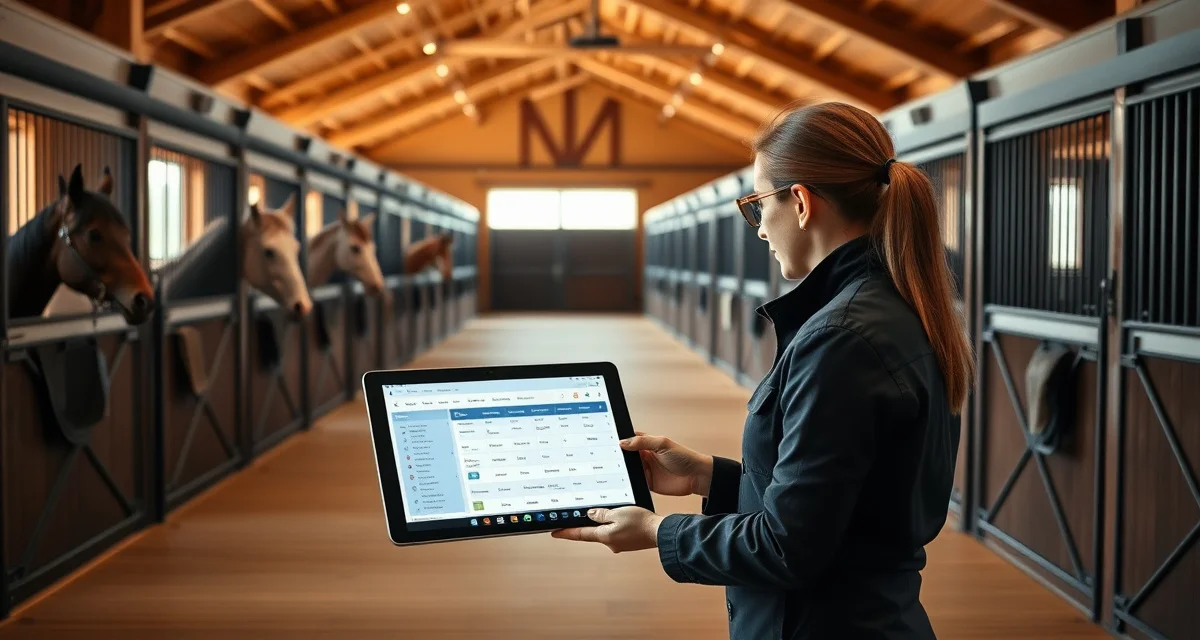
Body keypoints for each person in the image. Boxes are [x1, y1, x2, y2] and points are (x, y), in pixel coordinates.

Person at [551, 101, 975, 639]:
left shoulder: (840, 339)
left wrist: (658, 531)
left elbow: (787, 546)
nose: (758, 229)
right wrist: (708, 474)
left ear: (799, 202)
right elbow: (843, 503)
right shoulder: (893, 306)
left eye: (756, 206)